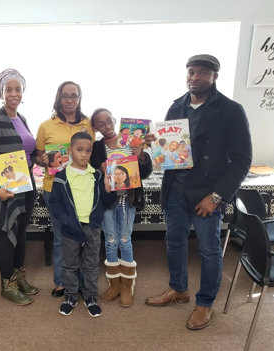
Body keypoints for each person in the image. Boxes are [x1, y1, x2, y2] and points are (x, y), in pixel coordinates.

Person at [145, 54, 252, 330]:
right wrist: (153, 144)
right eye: (191, 72)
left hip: (206, 193)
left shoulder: (230, 110)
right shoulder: (176, 106)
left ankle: (205, 304)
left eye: (203, 73)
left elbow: (242, 160)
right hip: (174, 191)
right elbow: (168, 152)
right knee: (175, 242)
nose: (195, 77)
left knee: (209, 251)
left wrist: (216, 197)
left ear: (214, 76)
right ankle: (178, 290)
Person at [0, 68, 38, 305]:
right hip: (5, 188)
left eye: (18, 89)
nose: (14, 93)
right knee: (7, 234)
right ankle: (8, 283)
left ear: (23, 92)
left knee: (21, 233)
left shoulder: (21, 119)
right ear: (1, 93)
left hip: (25, 184)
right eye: (8, 89)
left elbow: (27, 151)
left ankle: (18, 275)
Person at [36, 81, 94, 298]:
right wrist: (42, 160)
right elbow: (38, 155)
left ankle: (81, 282)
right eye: (65, 96)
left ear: (79, 98)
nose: (70, 100)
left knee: (82, 236)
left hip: (83, 189)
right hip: (55, 189)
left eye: (74, 96)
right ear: (58, 99)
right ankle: (61, 282)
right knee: (61, 237)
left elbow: (93, 154)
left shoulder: (88, 124)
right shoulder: (45, 126)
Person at [90, 108, 153, 308]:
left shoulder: (131, 141)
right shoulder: (96, 147)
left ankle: (127, 285)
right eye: (100, 124)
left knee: (125, 239)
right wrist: (99, 168)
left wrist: (141, 155)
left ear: (115, 120)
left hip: (128, 199)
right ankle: (114, 283)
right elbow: (91, 170)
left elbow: (145, 172)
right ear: (95, 128)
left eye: (109, 121)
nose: (106, 126)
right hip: (108, 200)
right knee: (110, 240)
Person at [49, 132, 116, 317]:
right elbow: (54, 202)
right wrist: (65, 220)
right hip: (71, 228)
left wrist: (109, 190)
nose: (84, 155)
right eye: (79, 150)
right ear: (70, 150)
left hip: (93, 227)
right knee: (70, 265)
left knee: (91, 265)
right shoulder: (62, 177)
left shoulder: (96, 174)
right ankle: (70, 296)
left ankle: (90, 296)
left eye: (88, 150)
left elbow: (106, 200)